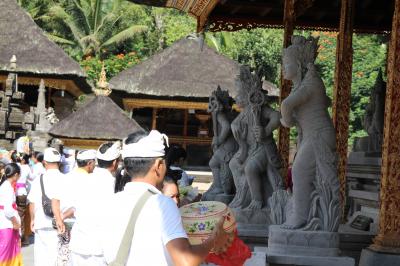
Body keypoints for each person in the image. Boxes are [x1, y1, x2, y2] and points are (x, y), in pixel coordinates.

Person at [100, 130, 232, 265]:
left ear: (127, 169)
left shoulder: (109, 203)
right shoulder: (161, 204)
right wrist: (213, 240)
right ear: (158, 166)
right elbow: (185, 261)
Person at [68, 144, 119, 265]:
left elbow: (75, 207)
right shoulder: (109, 182)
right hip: (97, 248)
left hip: (78, 243)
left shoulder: (86, 178)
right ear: (115, 162)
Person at [52, 149, 96, 266]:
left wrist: (59, 219)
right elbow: (78, 207)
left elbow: (55, 200)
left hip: (62, 223)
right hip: (78, 225)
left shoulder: (65, 177)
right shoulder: (91, 181)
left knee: (62, 258)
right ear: (90, 163)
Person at [28, 147, 64, 266]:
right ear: (59, 162)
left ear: (45, 162)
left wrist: (32, 219)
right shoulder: (65, 179)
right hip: (59, 224)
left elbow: (32, 202)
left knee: (41, 258)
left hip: (41, 222)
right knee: (57, 258)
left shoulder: (38, 179)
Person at [0, 163, 22, 265]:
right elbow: (8, 210)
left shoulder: (6, 186)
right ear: (16, 175)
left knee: (7, 253)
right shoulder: (7, 188)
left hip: (5, 223)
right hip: (7, 224)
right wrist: (15, 222)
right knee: (4, 254)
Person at [11, 152, 31, 246]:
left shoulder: (12, 166)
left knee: (13, 214)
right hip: (22, 193)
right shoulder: (26, 167)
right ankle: (22, 237)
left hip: (13, 192)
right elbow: (31, 177)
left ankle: (16, 238)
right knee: (21, 215)